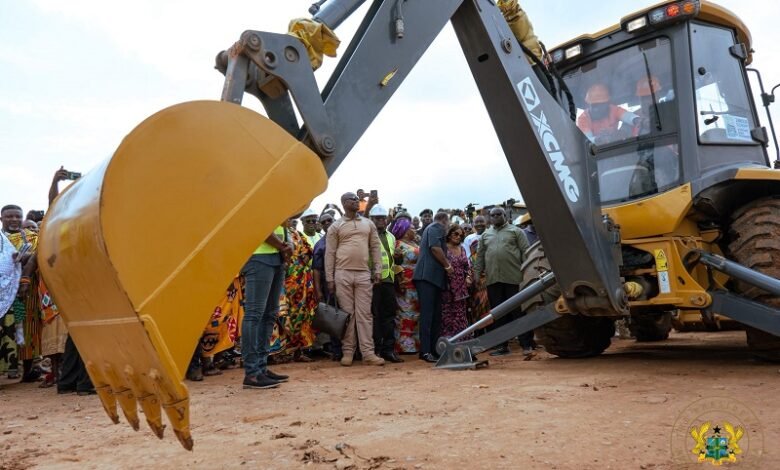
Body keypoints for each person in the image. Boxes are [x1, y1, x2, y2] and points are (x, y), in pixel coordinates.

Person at [325, 192, 385, 367]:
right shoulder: (336, 226)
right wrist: (329, 278)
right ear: (344, 203)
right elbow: (330, 253)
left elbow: (375, 247)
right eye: (352, 199)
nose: (356, 202)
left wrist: (378, 270)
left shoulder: (368, 224)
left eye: (357, 200)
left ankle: (368, 353)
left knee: (365, 314)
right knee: (348, 314)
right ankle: (348, 352)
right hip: (342, 273)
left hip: (364, 274)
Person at [241, 223, 292, 390]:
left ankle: (261, 368)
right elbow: (258, 227)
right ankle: (252, 373)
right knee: (254, 314)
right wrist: (283, 246)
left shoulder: (275, 201)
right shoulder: (255, 200)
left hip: (276, 256)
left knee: (270, 314)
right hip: (259, 256)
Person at [475, 207, 531, 357]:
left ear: (505, 216)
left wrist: (527, 274)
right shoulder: (486, 235)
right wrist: (476, 275)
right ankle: (502, 346)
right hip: (494, 280)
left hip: (514, 278)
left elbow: (526, 252)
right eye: (492, 215)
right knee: (498, 314)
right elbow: (480, 257)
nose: (495, 217)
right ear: (490, 218)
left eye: (499, 214)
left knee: (518, 312)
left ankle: (526, 345)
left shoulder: (516, 231)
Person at [0, 204, 42, 382]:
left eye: (18, 216)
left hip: (28, 292)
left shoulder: (32, 238)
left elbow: (37, 256)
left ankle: (26, 371)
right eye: (9, 217)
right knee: (6, 330)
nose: (14, 220)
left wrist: (24, 261)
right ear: (2, 219)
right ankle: (9, 369)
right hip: (3, 293)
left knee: (28, 328)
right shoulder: (2, 239)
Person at [271, 217, 318, 362]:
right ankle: (279, 353)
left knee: (301, 317)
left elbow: (309, 252)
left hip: (300, 286)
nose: (290, 221)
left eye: (292, 219)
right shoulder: (276, 233)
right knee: (281, 315)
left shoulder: (297, 234)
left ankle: (298, 351)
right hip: (283, 282)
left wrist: (299, 262)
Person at [412, 211, 451, 363]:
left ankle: (433, 350)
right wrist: (447, 266)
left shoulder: (433, 228)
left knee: (435, 316)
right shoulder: (436, 227)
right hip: (427, 278)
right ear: (444, 220)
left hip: (433, 279)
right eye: (448, 223)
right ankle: (425, 351)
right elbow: (435, 248)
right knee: (428, 316)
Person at [368, 205, 402, 363]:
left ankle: (388, 350)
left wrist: (398, 257)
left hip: (388, 280)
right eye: (377, 218)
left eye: (382, 218)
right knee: (374, 316)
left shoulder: (391, 236)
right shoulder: (367, 235)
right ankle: (376, 349)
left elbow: (392, 259)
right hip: (372, 281)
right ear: (371, 219)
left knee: (389, 316)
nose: (380, 221)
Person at [312, 212, 341, 361]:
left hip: (346, 282)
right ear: (321, 226)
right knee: (334, 318)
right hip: (328, 285)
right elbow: (316, 269)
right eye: (324, 222)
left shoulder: (344, 239)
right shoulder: (320, 245)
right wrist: (318, 291)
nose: (327, 223)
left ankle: (353, 349)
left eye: (330, 220)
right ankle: (336, 351)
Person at [391, 217, 421, 354]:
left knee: (416, 315)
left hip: (418, 284)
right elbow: (395, 265)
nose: (414, 229)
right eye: (412, 228)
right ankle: (403, 345)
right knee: (404, 315)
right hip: (405, 283)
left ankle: (416, 344)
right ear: (404, 229)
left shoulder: (415, 243)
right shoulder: (397, 244)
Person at [440, 225, 472, 339]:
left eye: (461, 235)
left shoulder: (462, 248)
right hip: (447, 287)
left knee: (461, 314)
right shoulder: (443, 248)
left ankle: (463, 342)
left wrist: (468, 276)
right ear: (449, 234)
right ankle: (448, 343)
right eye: (456, 234)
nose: (458, 237)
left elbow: (467, 267)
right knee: (447, 315)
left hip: (461, 288)